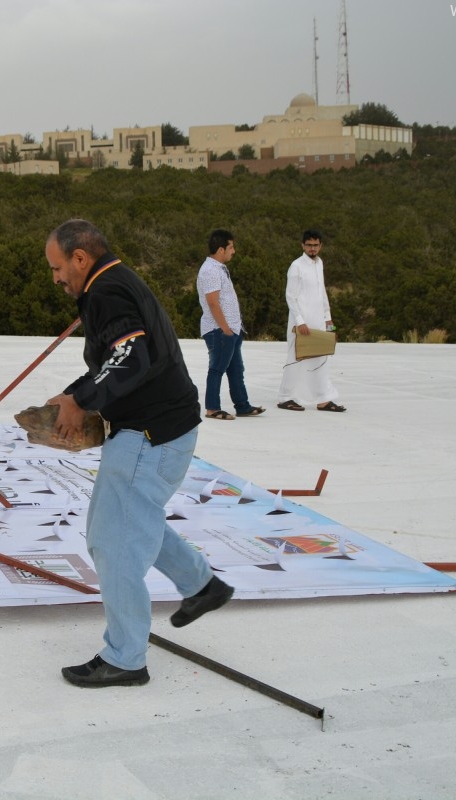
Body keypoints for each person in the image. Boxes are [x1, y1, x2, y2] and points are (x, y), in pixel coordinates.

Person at [43, 219, 234, 688]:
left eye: (57, 267)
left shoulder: (107, 292)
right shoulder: (116, 281)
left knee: (114, 541)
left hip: (149, 435)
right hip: (167, 428)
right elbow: (123, 357)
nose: (56, 277)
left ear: (80, 258)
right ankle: (201, 585)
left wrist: (82, 400)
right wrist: (74, 394)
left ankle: (126, 658)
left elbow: (132, 358)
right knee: (133, 521)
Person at [196, 229, 264, 420]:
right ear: (220, 249)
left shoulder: (217, 268)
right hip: (219, 330)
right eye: (231, 247)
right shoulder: (209, 270)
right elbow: (212, 302)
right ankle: (212, 408)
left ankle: (242, 406)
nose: (233, 251)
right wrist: (225, 329)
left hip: (231, 329)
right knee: (217, 368)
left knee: (236, 369)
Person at [276, 229, 345, 412]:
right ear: (303, 245)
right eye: (309, 245)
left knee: (320, 359)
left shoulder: (319, 263)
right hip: (301, 324)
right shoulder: (296, 266)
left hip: (318, 322)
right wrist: (300, 321)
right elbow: (290, 296)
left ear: (320, 246)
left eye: (315, 245)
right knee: (296, 358)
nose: (312, 249)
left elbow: (322, 292)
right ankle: (286, 397)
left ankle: (323, 399)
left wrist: (328, 320)